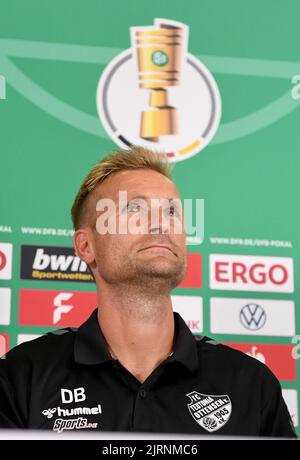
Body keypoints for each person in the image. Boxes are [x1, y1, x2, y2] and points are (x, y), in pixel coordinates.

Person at [0, 146, 297, 437]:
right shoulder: (21, 377)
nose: (161, 224)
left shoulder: (251, 385)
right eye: (134, 209)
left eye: (171, 211)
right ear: (86, 246)